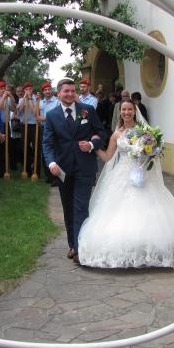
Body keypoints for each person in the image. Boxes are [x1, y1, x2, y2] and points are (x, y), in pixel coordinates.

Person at [78, 100, 174, 268]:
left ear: (135, 112)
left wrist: (147, 153)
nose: (127, 112)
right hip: (121, 175)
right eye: (124, 109)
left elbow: (153, 152)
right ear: (120, 112)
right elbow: (108, 157)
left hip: (142, 173)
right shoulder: (116, 134)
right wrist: (92, 147)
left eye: (130, 109)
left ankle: (151, 245)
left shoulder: (144, 131)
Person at [42, 78, 107, 264]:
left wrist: (92, 144)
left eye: (72, 91)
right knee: (68, 207)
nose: (70, 94)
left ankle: (81, 249)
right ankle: (72, 244)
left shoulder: (88, 110)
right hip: (62, 169)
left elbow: (102, 134)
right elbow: (47, 143)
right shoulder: (52, 115)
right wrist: (51, 163)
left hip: (85, 167)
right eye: (66, 91)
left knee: (80, 208)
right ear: (58, 93)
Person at [36, 82, 60, 186]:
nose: (47, 91)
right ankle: (48, 176)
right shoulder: (40, 103)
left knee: (55, 152)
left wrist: (46, 118)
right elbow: (37, 116)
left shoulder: (57, 102)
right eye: (45, 90)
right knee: (45, 151)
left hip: (56, 130)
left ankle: (56, 177)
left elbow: (59, 115)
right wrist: (48, 118)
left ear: (51, 90)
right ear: (43, 92)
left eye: (49, 89)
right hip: (44, 129)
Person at [16, 82, 39, 177]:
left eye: (30, 89)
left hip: (34, 125)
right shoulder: (21, 99)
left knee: (36, 147)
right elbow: (19, 110)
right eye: (26, 89)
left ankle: (36, 170)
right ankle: (27, 168)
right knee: (24, 147)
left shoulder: (36, 99)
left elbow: (35, 112)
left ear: (32, 89)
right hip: (24, 124)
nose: (28, 91)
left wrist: (29, 99)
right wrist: (24, 99)